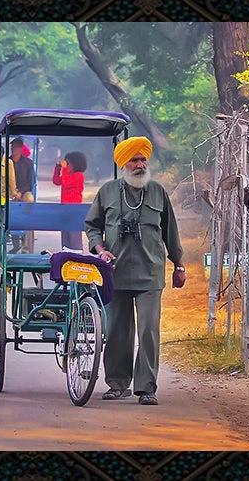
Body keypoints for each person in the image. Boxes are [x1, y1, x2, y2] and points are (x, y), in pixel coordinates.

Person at [85, 136, 185, 406]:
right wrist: (99, 249)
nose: (140, 164)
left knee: (148, 331)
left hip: (151, 273)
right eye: (134, 159)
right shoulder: (107, 192)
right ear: (123, 164)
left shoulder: (158, 192)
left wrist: (179, 264)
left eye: (143, 159)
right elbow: (92, 226)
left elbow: (170, 232)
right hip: (115, 273)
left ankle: (146, 388)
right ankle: (117, 384)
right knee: (118, 330)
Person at [52, 149, 88, 250]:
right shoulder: (66, 175)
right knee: (65, 235)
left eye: (68, 163)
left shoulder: (79, 176)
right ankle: (65, 253)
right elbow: (56, 181)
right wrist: (58, 168)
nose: (66, 165)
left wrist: (63, 169)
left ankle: (77, 254)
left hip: (74, 210)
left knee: (74, 235)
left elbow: (67, 183)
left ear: (75, 164)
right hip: (64, 209)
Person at [10, 137, 35, 203]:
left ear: (21, 149)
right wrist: (14, 193)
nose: (13, 149)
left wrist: (20, 192)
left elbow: (30, 182)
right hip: (9, 192)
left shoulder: (28, 163)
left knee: (29, 199)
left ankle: (28, 213)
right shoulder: (6, 162)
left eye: (16, 147)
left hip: (24, 192)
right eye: (12, 147)